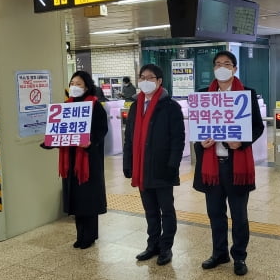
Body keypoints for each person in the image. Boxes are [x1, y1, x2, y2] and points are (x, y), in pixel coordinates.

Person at [192, 51, 264, 276]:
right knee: (215, 213)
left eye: (227, 64)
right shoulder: (203, 95)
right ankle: (219, 252)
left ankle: (239, 256)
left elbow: (258, 127)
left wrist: (241, 143)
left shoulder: (247, 94)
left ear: (234, 68)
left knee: (239, 215)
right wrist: (201, 144)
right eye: (218, 64)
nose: (222, 67)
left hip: (236, 166)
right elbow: (198, 131)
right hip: (211, 165)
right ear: (213, 69)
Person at [123, 64, 185, 266]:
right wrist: (128, 163)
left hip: (162, 167)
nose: (145, 81)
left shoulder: (170, 106)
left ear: (159, 81)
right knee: (150, 210)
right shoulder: (135, 106)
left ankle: (166, 248)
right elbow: (129, 139)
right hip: (141, 168)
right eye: (142, 77)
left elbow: (178, 139)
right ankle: (153, 245)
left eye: (150, 78)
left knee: (166, 210)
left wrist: (172, 165)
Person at [41, 70, 108, 249]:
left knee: (88, 199)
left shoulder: (95, 106)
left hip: (87, 160)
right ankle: (80, 235)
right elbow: (60, 132)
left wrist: (91, 141)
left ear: (87, 86)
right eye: (72, 83)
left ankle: (90, 235)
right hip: (70, 161)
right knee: (76, 199)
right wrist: (50, 142)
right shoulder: (65, 106)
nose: (74, 87)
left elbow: (102, 130)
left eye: (78, 84)